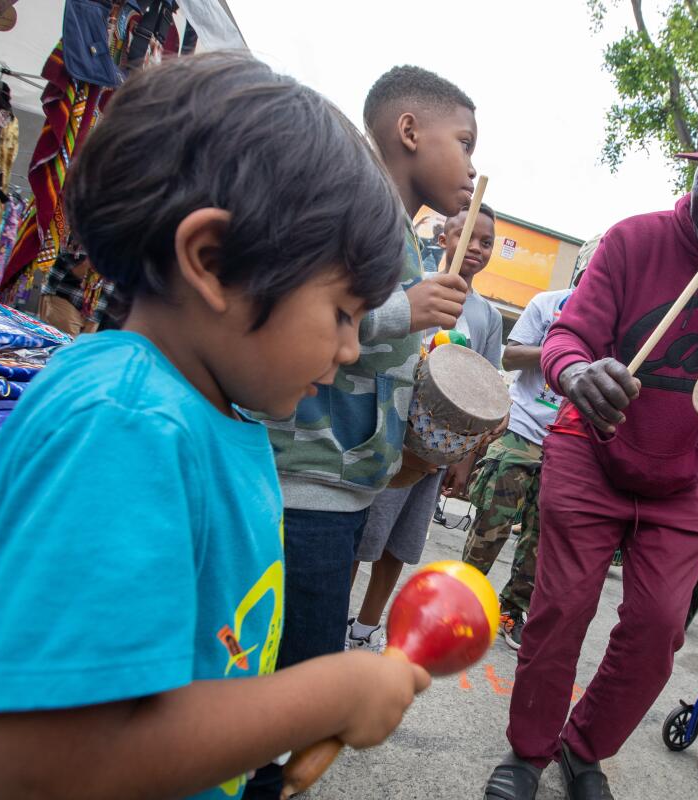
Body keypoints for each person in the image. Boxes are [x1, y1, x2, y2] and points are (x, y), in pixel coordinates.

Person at [0, 53, 429, 800]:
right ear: (213, 261)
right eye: (342, 313)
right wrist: (330, 693)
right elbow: (47, 765)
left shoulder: (211, 413)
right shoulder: (128, 428)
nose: (352, 348)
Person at [483, 103, 698, 800]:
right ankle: (527, 754)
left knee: (661, 625)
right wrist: (574, 373)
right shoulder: (635, 240)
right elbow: (567, 336)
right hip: (588, 448)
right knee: (561, 609)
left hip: (680, 471)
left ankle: (583, 747)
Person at [245, 64, 476, 799]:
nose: (473, 168)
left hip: (338, 494)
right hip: (304, 488)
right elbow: (300, 316)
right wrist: (403, 313)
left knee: (288, 694)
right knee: (294, 714)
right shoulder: (355, 214)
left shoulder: (398, 235)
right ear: (409, 131)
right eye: (464, 143)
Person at [348, 205, 504, 651]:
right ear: (444, 239)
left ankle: (364, 628)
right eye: (467, 236)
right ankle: (334, 619)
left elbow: (484, 390)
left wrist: (465, 459)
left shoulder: (487, 317)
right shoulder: (416, 288)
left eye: (486, 241)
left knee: (401, 542)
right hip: (390, 436)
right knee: (363, 536)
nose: (475, 247)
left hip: (436, 455)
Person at [462, 274, 579, 650]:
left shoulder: (617, 318)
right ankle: (462, 602)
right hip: (522, 429)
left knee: (541, 538)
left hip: (569, 444)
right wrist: (559, 353)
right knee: (490, 524)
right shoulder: (548, 302)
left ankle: (511, 610)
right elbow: (510, 356)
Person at [38, 245, 118, 336]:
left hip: (97, 309)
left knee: (80, 348)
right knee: (62, 345)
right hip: (66, 295)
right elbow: (79, 268)